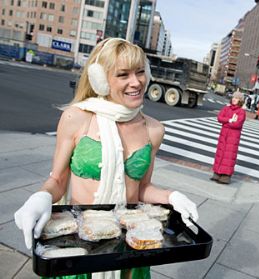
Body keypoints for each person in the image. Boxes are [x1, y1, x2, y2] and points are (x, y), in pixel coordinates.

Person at [14, 38, 199, 279]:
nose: (137, 82)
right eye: (123, 74)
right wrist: (41, 197)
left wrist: (172, 196)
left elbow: (141, 188)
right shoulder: (77, 117)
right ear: (100, 80)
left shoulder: (153, 130)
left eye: (141, 72)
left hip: (127, 249)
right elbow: (58, 180)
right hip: (79, 249)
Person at [210, 91, 246, 184]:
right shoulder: (226, 108)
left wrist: (225, 123)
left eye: (237, 98)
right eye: (234, 97)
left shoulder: (241, 111)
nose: (234, 99)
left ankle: (225, 176)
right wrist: (229, 120)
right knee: (220, 153)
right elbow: (219, 118)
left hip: (233, 137)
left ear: (240, 100)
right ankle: (217, 173)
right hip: (224, 136)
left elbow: (237, 124)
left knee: (229, 156)